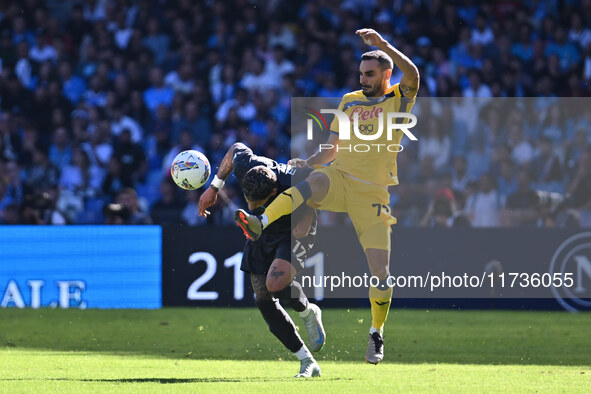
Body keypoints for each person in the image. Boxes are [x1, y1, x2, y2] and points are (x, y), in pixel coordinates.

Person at [235, 28, 420, 364]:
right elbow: (333, 147)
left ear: (386, 74)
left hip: (372, 193)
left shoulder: (398, 99)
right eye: (361, 73)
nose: (363, 79)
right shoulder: (349, 101)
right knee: (313, 180)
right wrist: (309, 161)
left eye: (370, 74)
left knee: (381, 272)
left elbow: (414, 75)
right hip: (340, 178)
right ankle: (261, 220)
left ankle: (376, 334)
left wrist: (383, 45)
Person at [198, 142, 325, 378]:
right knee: (263, 298)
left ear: (274, 193)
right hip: (260, 228)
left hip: (293, 229)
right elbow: (235, 148)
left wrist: (308, 213)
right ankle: (307, 361)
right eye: (249, 201)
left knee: (276, 284)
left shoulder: (293, 178)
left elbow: (321, 182)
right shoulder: (247, 165)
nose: (251, 206)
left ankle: (308, 312)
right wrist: (214, 187)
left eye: (257, 203)